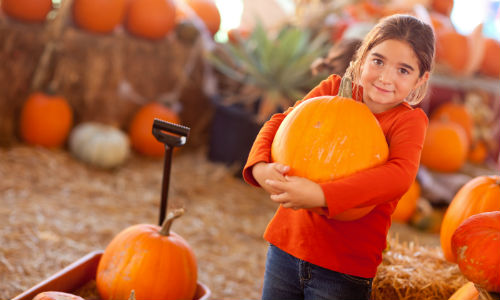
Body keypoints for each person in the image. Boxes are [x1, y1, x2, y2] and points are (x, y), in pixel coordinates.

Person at [242, 14, 435, 300]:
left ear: (421, 79)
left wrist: (322, 194)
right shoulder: (332, 90)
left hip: (344, 267)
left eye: (403, 70)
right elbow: (281, 122)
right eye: (378, 61)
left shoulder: (408, 122)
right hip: (286, 246)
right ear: (362, 58)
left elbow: (398, 176)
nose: (385, 77)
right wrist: (259, 167)